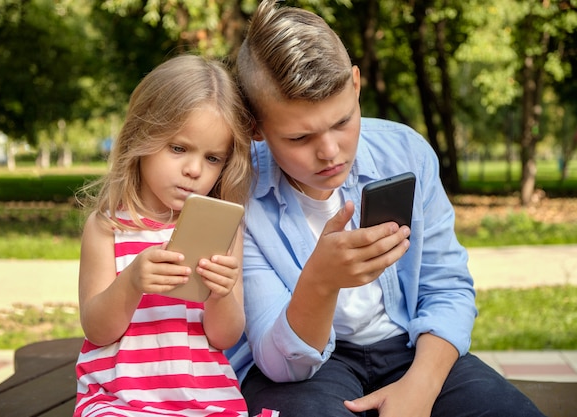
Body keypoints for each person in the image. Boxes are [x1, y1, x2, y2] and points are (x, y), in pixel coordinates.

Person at [225, 1, 546, 416]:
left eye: (343, 122)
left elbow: (447, 290)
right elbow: (280, 364)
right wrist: (320, 283)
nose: (330, 152)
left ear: (356, 86)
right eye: (300, 138)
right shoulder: (238, 191)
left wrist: (420, 387)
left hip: (409, 347)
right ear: (255, 127)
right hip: (307, 366)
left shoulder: (406, 153)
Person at [73, 54, 253, 417]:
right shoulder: (108, 227)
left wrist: (220, 294)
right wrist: (132, 282)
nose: (194, 170)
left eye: (213, 158)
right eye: (178, 148)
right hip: (120, 400)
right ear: (141, 135)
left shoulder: (222, 230)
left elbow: (225, 337)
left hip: (205, 399)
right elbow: (96, 328)